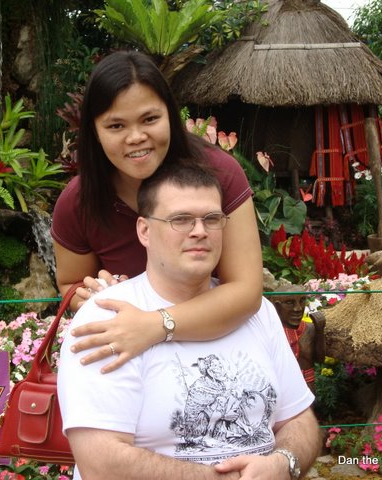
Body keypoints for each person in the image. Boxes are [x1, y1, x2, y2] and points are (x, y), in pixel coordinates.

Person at [58, 162, 321, 480]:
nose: (199, 230)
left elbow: (300, 421)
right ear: (144, 230)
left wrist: (282, 464)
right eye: (180, 219)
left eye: (211, 219)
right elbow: (101, 462)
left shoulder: (255, 310)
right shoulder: (109, 315)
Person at [51, 50, 263, 373]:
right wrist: (97, 294)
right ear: (94, 130)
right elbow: (70, 286)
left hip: (222, 351)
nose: (136, 138)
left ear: (170, 115)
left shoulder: (220, 175)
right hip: (132, 363)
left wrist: (154, 326)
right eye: (116, 125)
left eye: (150, 119)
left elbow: (246, 291)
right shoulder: (79, 202)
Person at [270, 285, 326, 392]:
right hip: (281, 386)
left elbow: (320, 359)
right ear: (277, 306)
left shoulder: (310, 329)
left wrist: (319, 331)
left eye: (302, 301)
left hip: (307, 386)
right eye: (290, 303)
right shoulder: (271, 332)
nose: (298, 308)